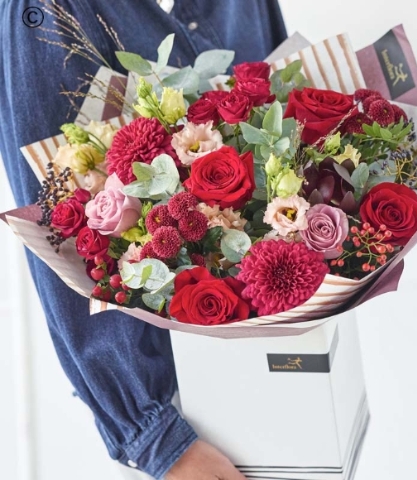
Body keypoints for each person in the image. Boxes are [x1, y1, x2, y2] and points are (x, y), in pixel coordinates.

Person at [0, 1, 287, 478]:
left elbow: (286, 116)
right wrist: (159, 441)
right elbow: (60, 230)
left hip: (290, 377)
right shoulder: (48, 9)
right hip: (185, 423)